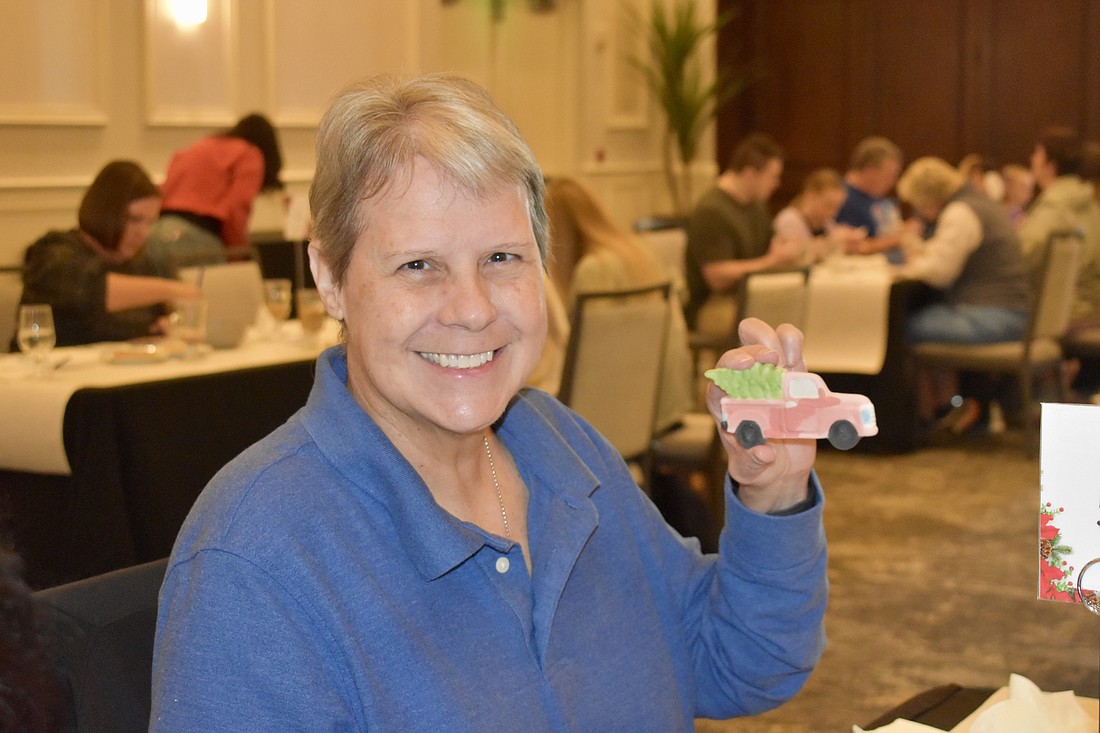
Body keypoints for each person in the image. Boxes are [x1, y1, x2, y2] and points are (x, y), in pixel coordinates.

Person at [150, 74, 827, 731]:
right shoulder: (256, 558)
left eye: (503, 257)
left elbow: (738, 658)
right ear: (330, 279)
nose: (472, 309)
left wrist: (775, 490)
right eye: (418, 265)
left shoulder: (558, 445)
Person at [544, 177, 694, 434]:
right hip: (668, 404)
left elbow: (590, 365)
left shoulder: (594, 270)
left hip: (621, 421)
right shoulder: (641, 251)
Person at [894, 156, 1031, 432]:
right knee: (922, 316)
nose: (921, 212)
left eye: (919, 205)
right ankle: (949, 408)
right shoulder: (982, 205)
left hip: (994, 317)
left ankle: (916, 419)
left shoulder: (960, 212)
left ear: (929, 198)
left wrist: (902, 269)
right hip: (1012, 314)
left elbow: (939, 271)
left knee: (900, 327)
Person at [17, 161, 200, 346]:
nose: (143, 233)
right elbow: (92, 290)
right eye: (134, 220)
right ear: (105, 212)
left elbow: (167, 316)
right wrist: (169, 291)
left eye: (150, 223)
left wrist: (165, 325)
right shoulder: (53, 253)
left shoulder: (144, 262)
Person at [683, 133, 802, 335]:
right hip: (714, 305)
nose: (777, 183)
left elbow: (771, 243)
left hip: (750, 295)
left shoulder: (754, 205)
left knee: (798, 311)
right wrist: (772, 260)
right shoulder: (711, 211)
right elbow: (717, 277)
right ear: (750, 174)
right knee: (781, 323)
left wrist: (786, 246)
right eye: (772, 176)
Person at [144, 113, 283, 277]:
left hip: (155, 234)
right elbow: (236, 209)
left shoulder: (200, 146)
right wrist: (238, 256)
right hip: (196, 240)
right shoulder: (250, 153)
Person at [835, 136, 906, 261]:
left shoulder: (878, 197)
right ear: (869, 170)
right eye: (889, 175)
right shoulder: (841, 198)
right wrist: (897, 239)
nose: (893, 182)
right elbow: (854, 247)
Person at [772, 168, 866, 263]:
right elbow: (796, 258)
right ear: (810, 196)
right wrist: (832, 241)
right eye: (828, 205)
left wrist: (848, 243)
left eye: (837, 207)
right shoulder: (790, 219)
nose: (833, 212)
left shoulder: (826, 223)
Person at [1000, 163, 1035, 229]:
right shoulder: (996, 212)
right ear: (1009, 186)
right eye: (1023, 186)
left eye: (1030, 188)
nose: (1029, 192)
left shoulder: (1025, 217)